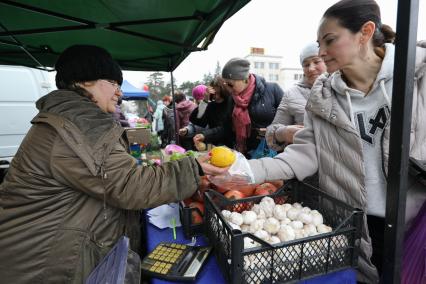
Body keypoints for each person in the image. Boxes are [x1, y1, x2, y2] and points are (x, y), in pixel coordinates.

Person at [212, 1, 425, 282]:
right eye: (318, 43)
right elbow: (304, 154)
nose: (321, 52)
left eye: (330, 40)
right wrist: (246, 170)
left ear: (365, 32)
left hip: (415, 223)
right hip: (356, 225)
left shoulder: (417, 76)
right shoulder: (323, 97)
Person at [0, 44, 225, 283]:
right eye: (114, 83)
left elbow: (109, 174)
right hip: (45, 264)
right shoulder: (79, 122)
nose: (120, 93)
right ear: (85, 81)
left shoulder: (67, 119)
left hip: (37, 254)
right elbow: (129, 186)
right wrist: (194, 166)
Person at [266, 42, 327, 151]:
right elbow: (272, 132)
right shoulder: (292, 94)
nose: (311, 68)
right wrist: (283, 133)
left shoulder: (346, 87)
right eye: (306, 65)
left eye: (316, 61)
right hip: (305, 162)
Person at [221, 57, 284, 157]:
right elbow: (226, 127)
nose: (228, 89)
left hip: (272, 153)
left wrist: (272, 130)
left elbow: (288, 118)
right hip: (244, 154)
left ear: (245, 79)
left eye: (230, 84)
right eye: (225, 84)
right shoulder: (232, 98)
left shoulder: (273, 89)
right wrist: (205, 135)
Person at [180, 77, 234, 150]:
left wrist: (205, 135)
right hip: (215, 146)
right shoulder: (211, 106)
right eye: (214, 93)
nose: (216, 96)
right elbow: (197, 120)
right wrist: (205, 101)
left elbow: (226, 128)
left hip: (232, 145)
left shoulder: (232, 103)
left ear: (223, 90)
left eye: (218, 93)